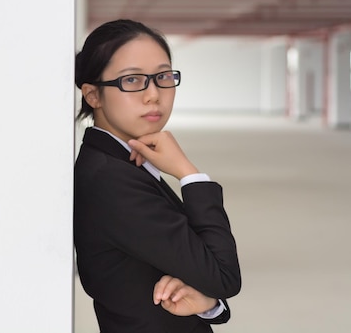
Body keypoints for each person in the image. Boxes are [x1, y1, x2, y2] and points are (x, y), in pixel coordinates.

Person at [74, 19, 241, 333]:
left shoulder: (123, 160)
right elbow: (223, 276)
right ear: (93, 95)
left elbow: (203, 283)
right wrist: (188, 173)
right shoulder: (109, 180)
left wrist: (208, 305)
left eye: (163, 77)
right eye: (133, 80)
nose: (154, 95)